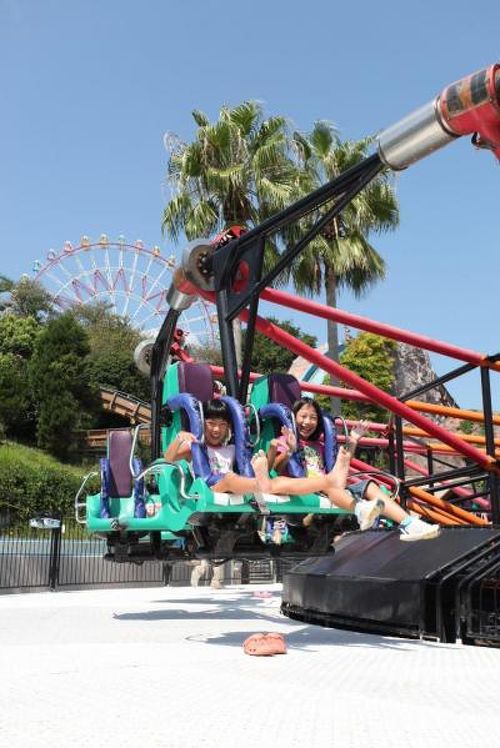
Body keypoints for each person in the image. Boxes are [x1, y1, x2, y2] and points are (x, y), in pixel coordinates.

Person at [264, 396, 440, 542]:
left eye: (313, 418)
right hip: (300, 500)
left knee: (368, 485)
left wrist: (353, 441)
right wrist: (289, 451)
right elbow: (275, 469)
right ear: (294, 418)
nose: (308, 422)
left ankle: (410, 524)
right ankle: (360, 509)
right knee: (326, 483)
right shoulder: (285, 439)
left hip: (327, 491)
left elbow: (339, 472)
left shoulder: (319, 445)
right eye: (303, 416)